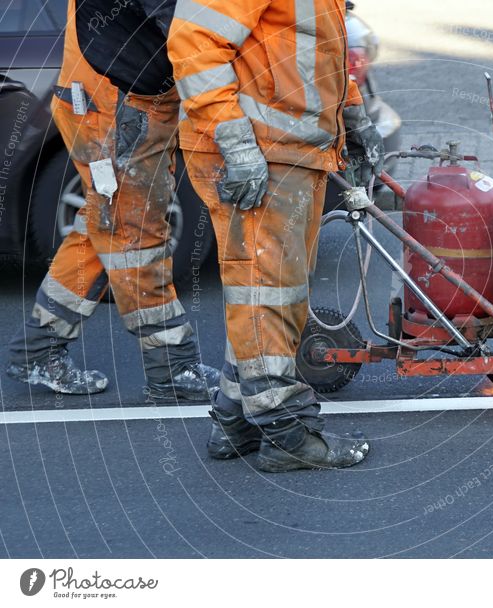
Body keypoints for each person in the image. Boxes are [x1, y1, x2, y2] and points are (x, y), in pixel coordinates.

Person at [168, 0, 384, 471]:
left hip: (291, 154)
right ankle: (286, 432)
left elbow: (319, 54)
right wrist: (237, 143)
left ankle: (236, 419)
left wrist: (354, 120)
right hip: (262, 153)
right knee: (267, 293)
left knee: (274, 295)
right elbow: (192, 43)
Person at [6, 0, 219, 401]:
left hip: (115, 96)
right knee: (135, 234)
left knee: (106, 224)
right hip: (110, 102)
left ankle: (37, 347)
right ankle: (171, 367)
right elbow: (183, 23)